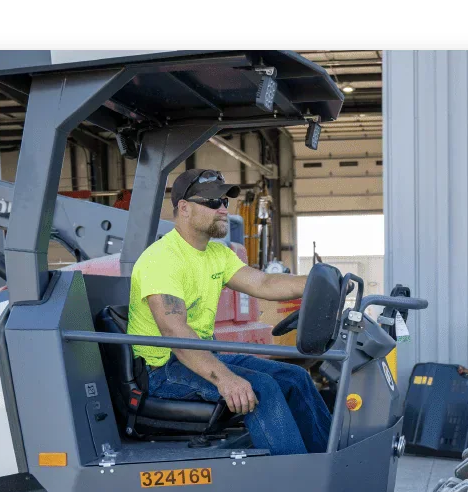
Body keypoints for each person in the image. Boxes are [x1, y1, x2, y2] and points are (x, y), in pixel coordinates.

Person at [128, 169, 332, 456]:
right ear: (184, 208)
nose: (223, 208)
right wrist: (225, 379)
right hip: (164, 368)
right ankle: (293, 482)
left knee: (295, 378)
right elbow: (175, 332)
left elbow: (264, 282)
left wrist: (319, 283)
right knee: (260, 388)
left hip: (202, 354)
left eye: (224, 201)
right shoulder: (162, 260)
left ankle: (326, 464)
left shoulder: (216, 254)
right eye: (212, 202)